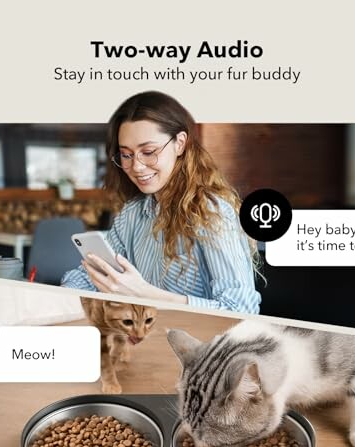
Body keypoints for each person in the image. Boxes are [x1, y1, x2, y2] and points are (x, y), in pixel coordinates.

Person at [61, 91, 261, 314]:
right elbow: (85, 277)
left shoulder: (212, 212)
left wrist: (144, 294)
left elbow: (242, 310)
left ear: (180, 144)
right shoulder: (132, 214)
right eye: (126, 155)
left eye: (148, 152)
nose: (136, 166)